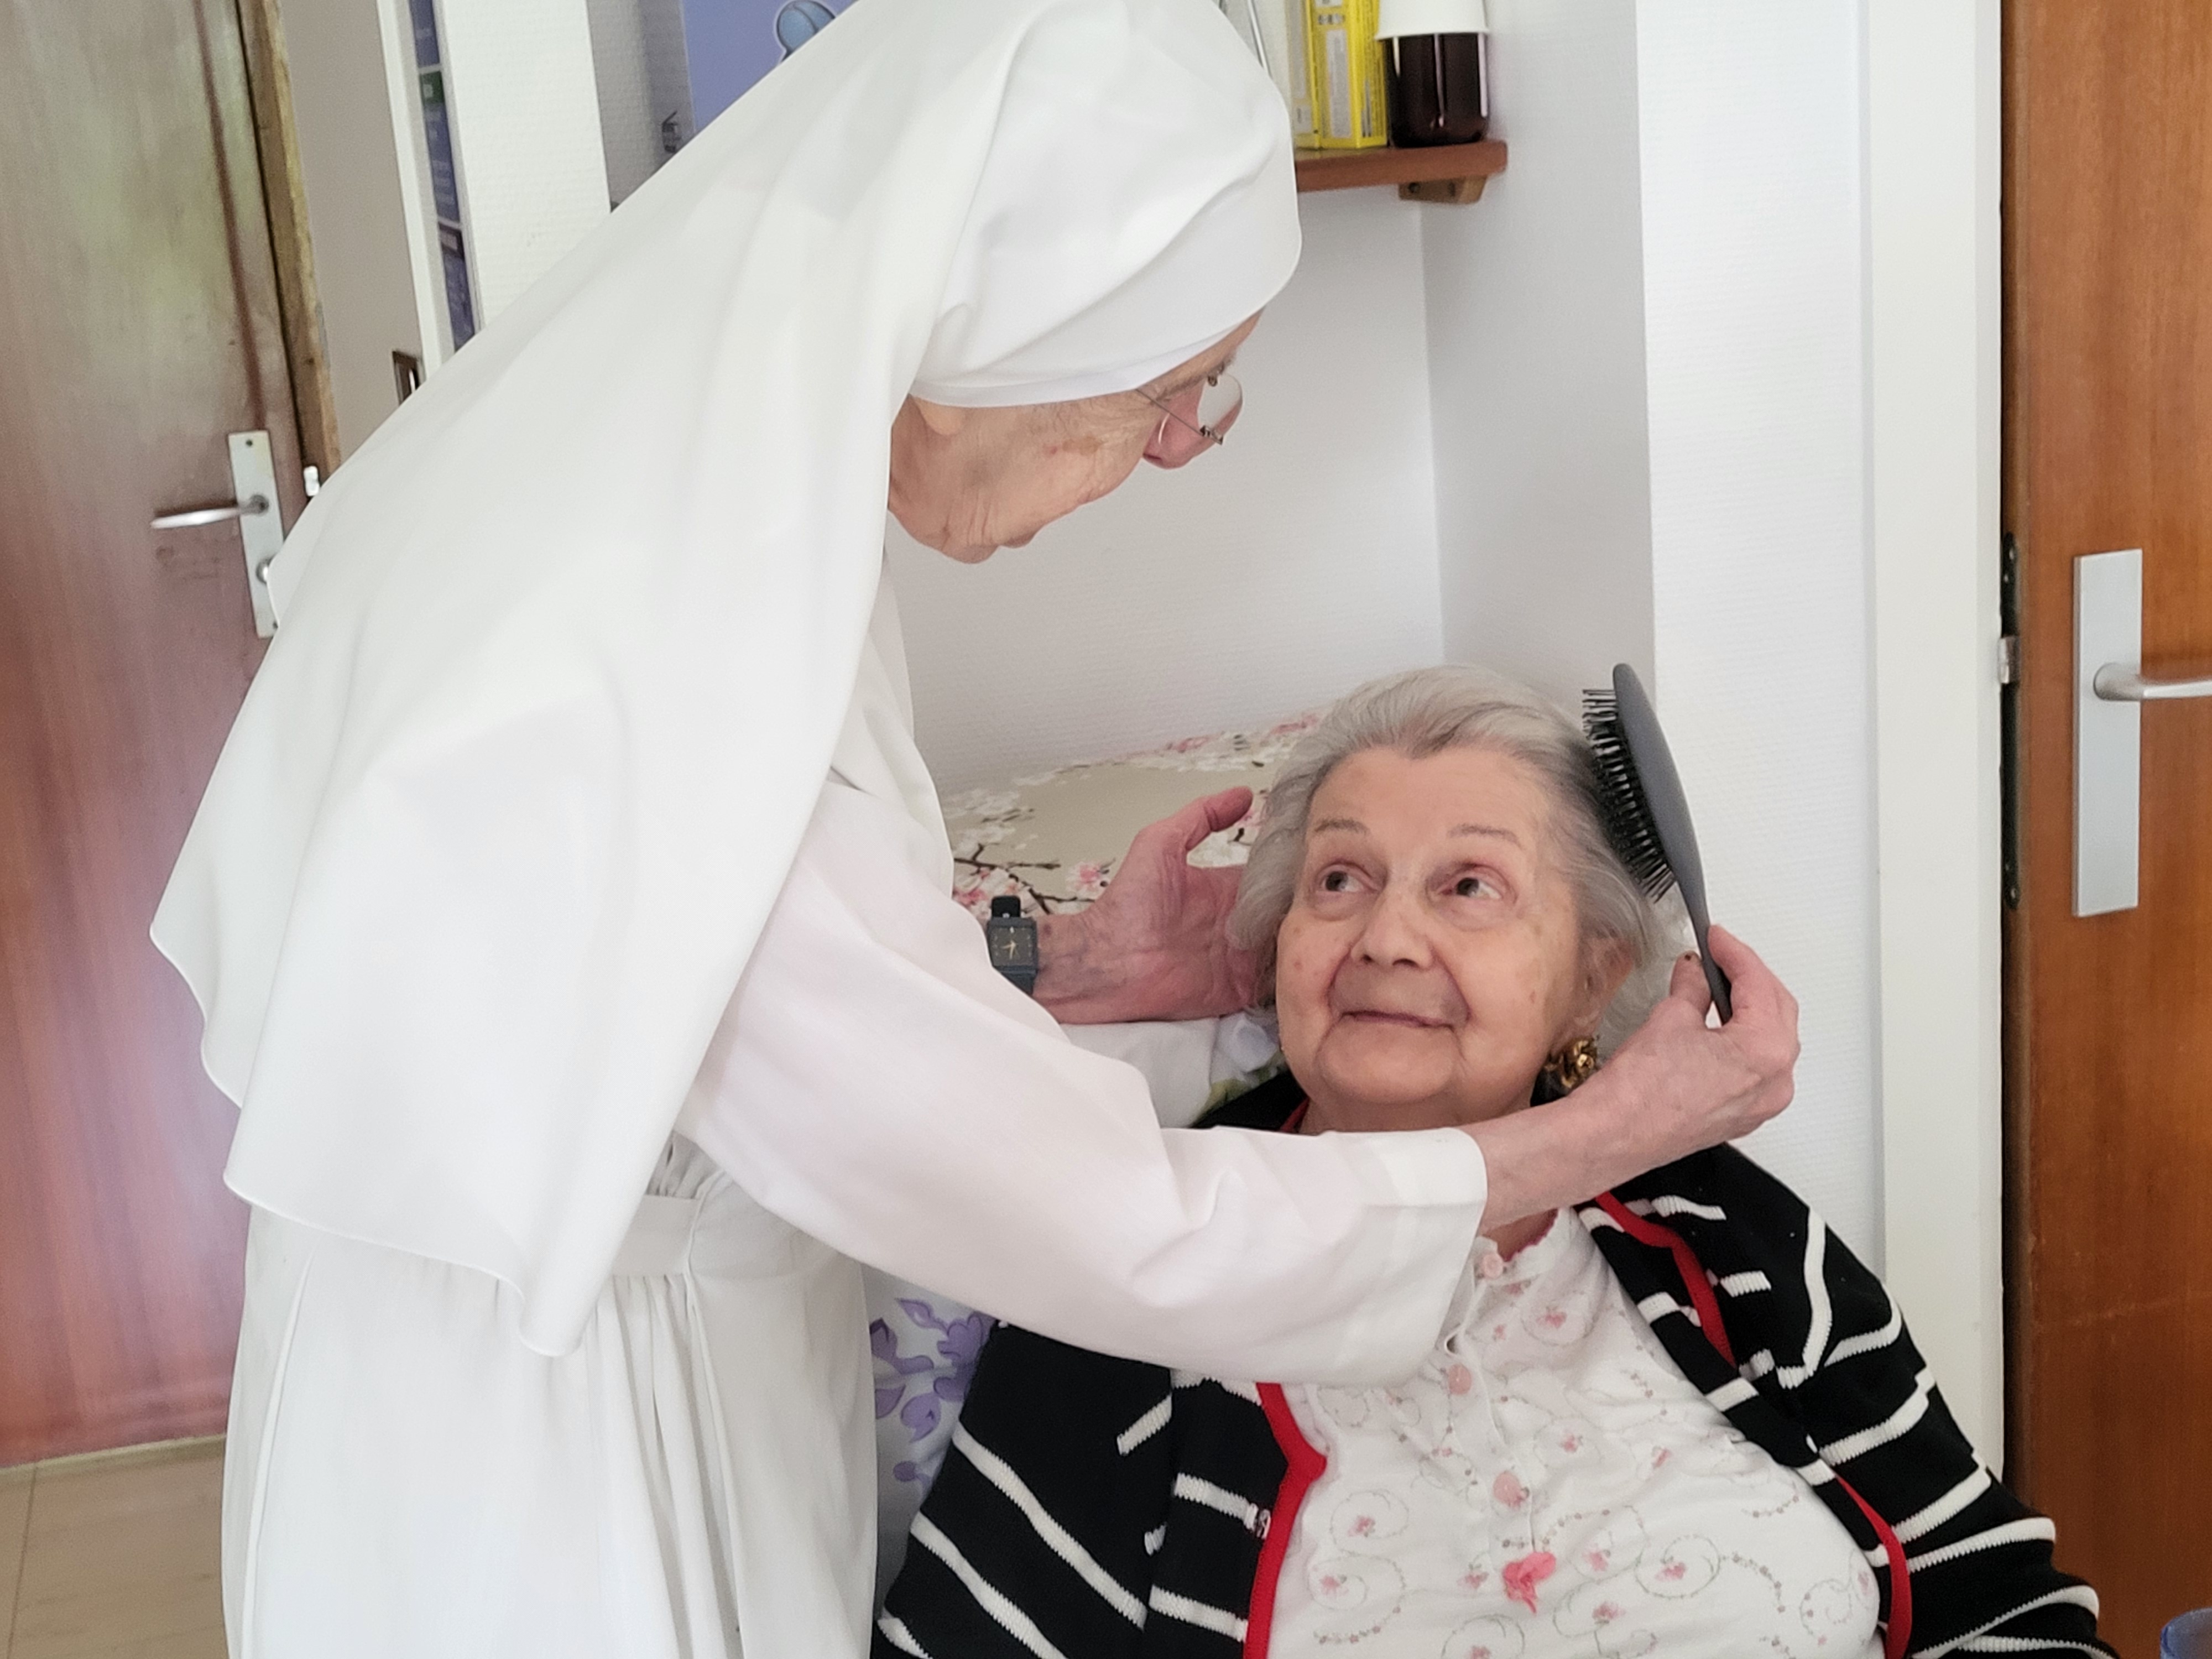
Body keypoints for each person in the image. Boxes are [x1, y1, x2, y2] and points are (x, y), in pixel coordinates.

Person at [149, 3, 1801, 1657]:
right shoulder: (677, 631)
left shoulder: (671, 481)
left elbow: (692, 979)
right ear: (1001, 318)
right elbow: (1105, 1225)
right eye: (1173, 388)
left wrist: (1050, 964)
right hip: (553, 1460)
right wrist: (1600, 1136)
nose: (1172, 449)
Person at [876, 668, 2107, 1659]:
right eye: (1339, 880)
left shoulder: (1722, 1233)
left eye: (1468, 886)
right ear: (1275, 946)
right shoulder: (1143, 1266)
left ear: (1591, 975)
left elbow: (1997, 1605)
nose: (1385, 937)